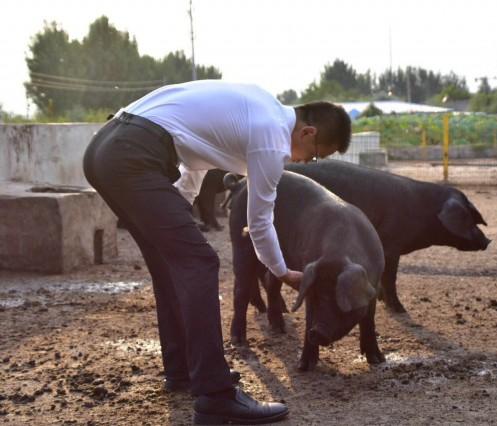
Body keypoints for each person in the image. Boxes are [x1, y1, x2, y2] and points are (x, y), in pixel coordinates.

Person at [82, 80, 351, 424]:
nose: (307, 162)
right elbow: (260, 219)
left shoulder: (259, 106)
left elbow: (197, 158)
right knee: (200, 263)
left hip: (107, 147)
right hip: (134, 154)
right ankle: (215, 395)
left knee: (172, 264)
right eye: (315, 155)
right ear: (308, 133)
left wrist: (178, 207)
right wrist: (281, 271)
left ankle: (184, 371)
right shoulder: (271, 136)